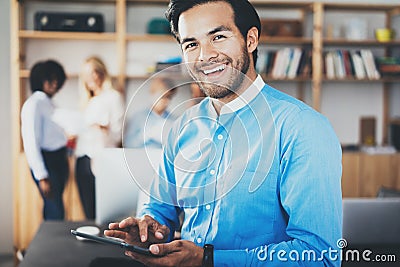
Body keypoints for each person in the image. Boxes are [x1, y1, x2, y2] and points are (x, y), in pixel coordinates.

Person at [105, 1, 342, 266]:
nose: (205, 55)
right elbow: (159, 208)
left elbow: (320, 255)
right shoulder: (181, 127)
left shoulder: (302, 128)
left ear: (250, 40)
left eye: (218, 37)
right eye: (191, 44)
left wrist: (209, 260)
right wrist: (149, 228)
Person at [75, 56, 124, 220]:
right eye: (87, 74)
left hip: (103, 160)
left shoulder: (113, 97)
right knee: (88, 213)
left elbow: (118, 135)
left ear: (102, 72)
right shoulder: (86, 101)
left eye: (95, 71)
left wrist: (102, 128)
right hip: (83, 159)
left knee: (104, 215)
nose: (92, 77)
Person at [21, 59, 69, 220]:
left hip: (59, 159)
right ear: (40, 80)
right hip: (47, 162)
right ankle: (53, 245)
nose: (54, 83)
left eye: (57, 79)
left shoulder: (50, 103)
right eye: (50, 79)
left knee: (55, 208)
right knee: (55, 210)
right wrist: (42, 175)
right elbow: (31, 142)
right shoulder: (34, 104)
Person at [123, 77, 177, 149]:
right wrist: (145, 135)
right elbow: (127, 144)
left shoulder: (173, 121)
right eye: (163, 96)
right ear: (153, 93)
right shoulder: (138, 117)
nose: (166, 101)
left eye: (169, 97)